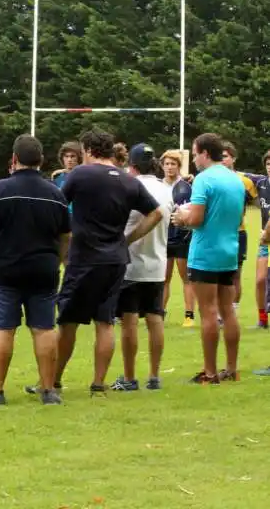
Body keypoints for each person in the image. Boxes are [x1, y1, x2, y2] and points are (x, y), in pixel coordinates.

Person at [41, 129, 162, 397]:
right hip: (116, 259)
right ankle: (98, 384)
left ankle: (53, 381)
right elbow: (156, 214)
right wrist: (128, 239)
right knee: (105, 322)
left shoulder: (80, 174)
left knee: (68, 321)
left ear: (87, 150)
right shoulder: (128, 180)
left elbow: (59, 208)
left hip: (83, 258)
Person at [0, 135, 69, 406]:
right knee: (43, 328)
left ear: (14, 159)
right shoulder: (55, 193)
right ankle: (49, 391)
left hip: (4, 269)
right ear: (41, 161)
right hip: (43, 269)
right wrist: (61, 261)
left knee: (4, 329)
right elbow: (66, 235)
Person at [172, 133, 244, 384]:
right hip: (229, 251)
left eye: (194, 154)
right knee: (228, 311)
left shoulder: (204, 179)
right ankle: (232, 369)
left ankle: (210, 372)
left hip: (205, 253)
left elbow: (197, 220)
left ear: (204, 153)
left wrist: (182, 218)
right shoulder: (235, 179)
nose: (193, 159)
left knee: (209, 312)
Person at [111, 144, 175, 392]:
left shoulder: (128, 186)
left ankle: (129, 377)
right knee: (155, 318)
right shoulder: (165, 189)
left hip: (131, 263)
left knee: (129, 321)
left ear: (132, 165)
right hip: (157, 262)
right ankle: (154, 376)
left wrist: (124, 241)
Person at [221, 141, 258, 315]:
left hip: (238, 233)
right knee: (217, 274)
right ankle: (220, 312)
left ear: (233, 158)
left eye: (226, 157)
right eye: (219, 157)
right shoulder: (210, 179)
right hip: (216, 234)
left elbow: (259, 202)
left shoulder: (245, 181)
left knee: (236, 273)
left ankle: (232, 311)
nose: (222, 160)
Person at [160, 150, 196, 328]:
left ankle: (189, 315)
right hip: (163, 239)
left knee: (186, 278)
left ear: (179, 166)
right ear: (162, 166)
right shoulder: (158, 186)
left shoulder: (187, 186)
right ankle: (160, 313)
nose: (169, 167)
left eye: (173, 164)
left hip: (182, 237)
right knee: (163, 278)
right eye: (166, 164)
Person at [244, 152, 270, 329]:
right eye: (268, 163)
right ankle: (262, 319)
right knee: (260, 280)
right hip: (266, 241)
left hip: (266, 236)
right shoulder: (261, 182)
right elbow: (236, 174)